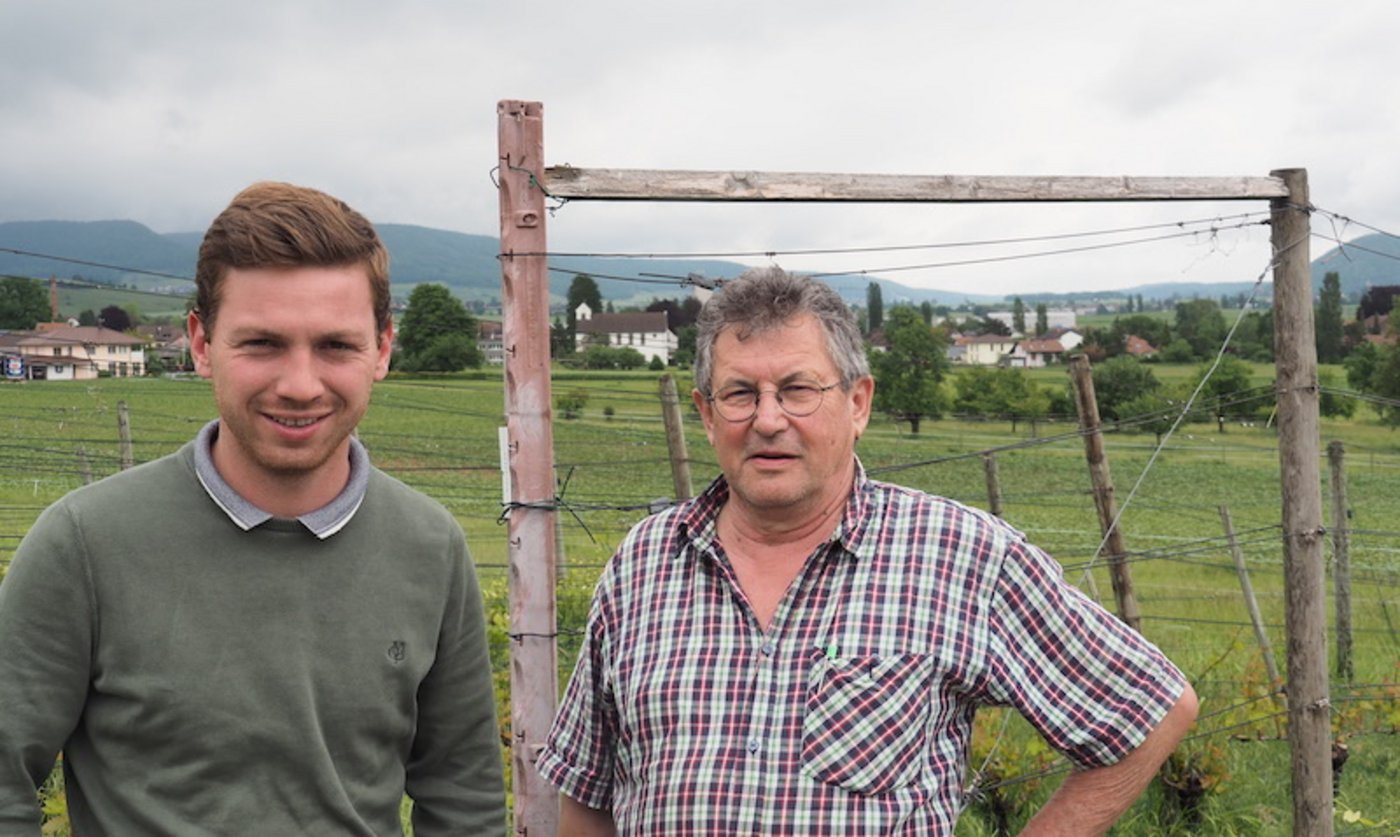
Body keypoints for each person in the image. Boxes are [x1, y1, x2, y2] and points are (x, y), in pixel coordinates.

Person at [538, 266, 1197, 836]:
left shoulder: (959, 555)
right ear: (707, 414)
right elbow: (589, 795)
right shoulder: (644, 564)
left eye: (799, 389)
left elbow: (1153, 709)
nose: (768, 419)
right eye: (741, 393)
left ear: (857, 402)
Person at [0, 182, 506, 835]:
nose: (299, 384)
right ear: (201, 343)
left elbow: (464, 801)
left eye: (335, 345)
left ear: (381, 349)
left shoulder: (431, 547)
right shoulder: (85, 544)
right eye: (262, 343)